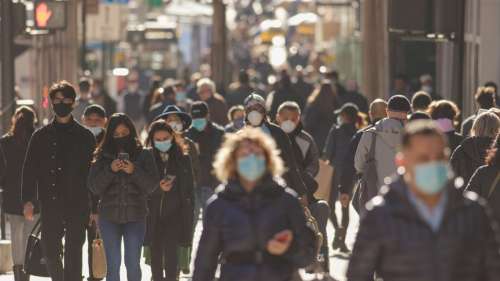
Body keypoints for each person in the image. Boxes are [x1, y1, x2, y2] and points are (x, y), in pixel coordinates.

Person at [347, 120, 500, 281]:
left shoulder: (473, 212)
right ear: (402, 162)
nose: (433, 164)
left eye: (440, 156)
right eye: (423, 158)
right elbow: (358, 274)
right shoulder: (380, 215)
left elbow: (492, 271)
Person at [193, 128, 316, 281]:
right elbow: (205, 262)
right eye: (244, 155)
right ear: (232, 161)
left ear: (268, 159)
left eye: (257, 154)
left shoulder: (287, 201)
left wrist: (289, 249)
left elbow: (308, 257)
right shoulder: (219, 205)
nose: (251, 159)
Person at [22, 81, 96, 281]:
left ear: (74, 103)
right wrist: (28, 200)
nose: (61, 103)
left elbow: (93, 174)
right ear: (51, 102)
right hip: (50, 201)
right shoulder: (40, 136)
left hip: (78, 202)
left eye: (66, 100)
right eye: (56, 100)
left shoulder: (86, 136)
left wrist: (95, 207)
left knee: (74, 251)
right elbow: (29, 170)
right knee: (50, 251)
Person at [88, 113, 159, 281]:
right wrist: (110, 170)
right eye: (116, 134)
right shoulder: (101, 155)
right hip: (109, 218)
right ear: (110, 135)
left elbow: (151, 185)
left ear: (131, 132)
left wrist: (133, 171)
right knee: (112, 265)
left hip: (136, 217)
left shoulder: (144, 155)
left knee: (133, 264)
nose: (121, 137)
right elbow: (93, 186)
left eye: (124, 133)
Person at [275, 101, 330, 270]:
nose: (289, 121)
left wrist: (303, 180)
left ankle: (320, 258)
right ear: (277, 118)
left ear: (299, 118)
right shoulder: (270, 137)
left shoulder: (305, 140)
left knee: (321, 210)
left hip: (304, 192)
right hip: (277, 193)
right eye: (285, 118)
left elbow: (314, 164)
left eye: (293, 118)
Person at [145, 120, 194, 281]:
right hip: (153, 216)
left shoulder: (183, 159)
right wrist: (159, 188)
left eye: (165, 138)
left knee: (172, 259)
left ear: (172, 137)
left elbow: (189, 191)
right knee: (156, 258)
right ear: (151, 140)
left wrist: (189, 215)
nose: (162, 142)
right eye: (158, 140)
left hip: (176, 215)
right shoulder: (146, 158)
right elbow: (142, 186)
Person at [244, 94, 308, 201]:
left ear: (264, 111)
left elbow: (291, 163)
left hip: (275, 188)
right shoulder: (238, 136)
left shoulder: (277, 133)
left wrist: (302, 192)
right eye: (250, 109)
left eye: (258, 108)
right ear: (245, 112)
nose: (254, 112)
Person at [0, 106, 38, 281]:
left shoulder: (5, 142)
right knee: (30, 237)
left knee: (16, 236)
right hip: (34, 198)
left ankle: (19, 275)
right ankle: (27, 272)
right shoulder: (37, 140)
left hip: (12, 196)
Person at [324, 103, 367, 253]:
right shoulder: (359, 132)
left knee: (330, 204)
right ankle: (342, 238)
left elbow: (327, 154)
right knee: (345, 207)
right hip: (351, 173)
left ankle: (337, 230)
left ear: (344, 116)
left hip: (336, 171)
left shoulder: (335, 131)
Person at [355, 95, 411, 193]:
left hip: (374, 196)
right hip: (404, 197)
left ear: (387, 111)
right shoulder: (413, 138)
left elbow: (359, 165)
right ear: (407, 114)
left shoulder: (370, 135)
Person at [338, 99, 388, 210]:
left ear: (370, 114)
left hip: (370, 187)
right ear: (387, 113)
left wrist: (344, 190)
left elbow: (350, 163)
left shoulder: (362, 135)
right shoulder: (400, 133)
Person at [81, 104, 108, 281]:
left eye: (97, 120)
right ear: (83, 120)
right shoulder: (77, 139)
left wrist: (95, 209)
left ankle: (95, 275)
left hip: (98, 202)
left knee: (95, 241)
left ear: (105, 122)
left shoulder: (108, 142)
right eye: (89, 120)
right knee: (75, 242)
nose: (93, 123)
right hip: (77, 199)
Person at [186, 101, 225, 213]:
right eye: (195, 118)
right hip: (194, 185)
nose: (198, 121)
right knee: (192, 219)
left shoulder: (219, 133)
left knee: (212, 218)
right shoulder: (188, 134)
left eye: (201, 117)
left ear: (207, 116)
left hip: (213, 183)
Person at [451, 112, 500, 186]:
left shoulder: (462, 149)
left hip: (466, 195)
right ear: (497, 129)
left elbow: (450, 177)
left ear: (475, 128)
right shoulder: (497, 150)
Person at [303, 81, 340, 150]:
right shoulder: (336, 104)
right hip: (332, 141)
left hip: (316, 139)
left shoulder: (313, 104)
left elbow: (309, 123)